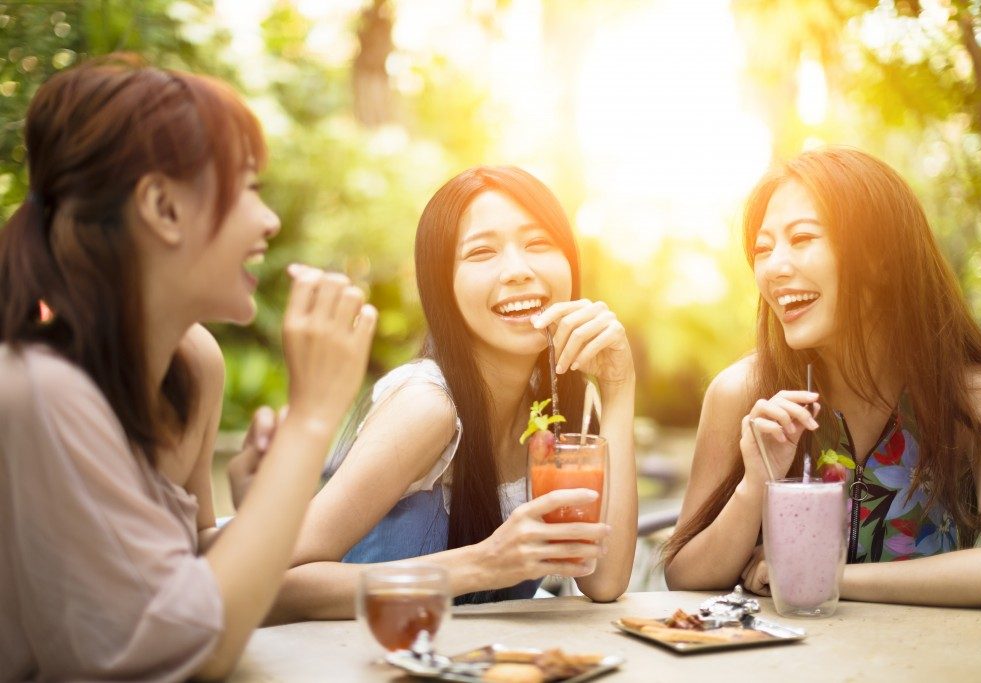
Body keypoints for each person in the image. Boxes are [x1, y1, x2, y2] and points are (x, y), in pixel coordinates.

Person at [0, 55, 377, 680]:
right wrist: (312, 420)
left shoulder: (192, 363)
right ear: (163, 207)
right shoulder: (38, 388)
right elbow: (187, 649)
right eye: (249, 188)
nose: (269, 220)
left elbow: (181, 574)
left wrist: (261, 506)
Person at [267, 166, 638, 622]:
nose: (518, 271)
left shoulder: (557, 408)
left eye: (539, 243)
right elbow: (275, 585)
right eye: (482, 252)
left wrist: (619, 389)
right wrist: (482, 565)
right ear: (444, 285)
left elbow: (604, 581)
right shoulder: (427, 406)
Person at [663, 147, 981, 608]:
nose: (774, 267)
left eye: (802, 238)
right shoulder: (742, 393)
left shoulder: (974, 395)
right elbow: (684, 576)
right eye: (763, 249)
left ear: (881, 259)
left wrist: (829, 576)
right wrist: (755, 482)